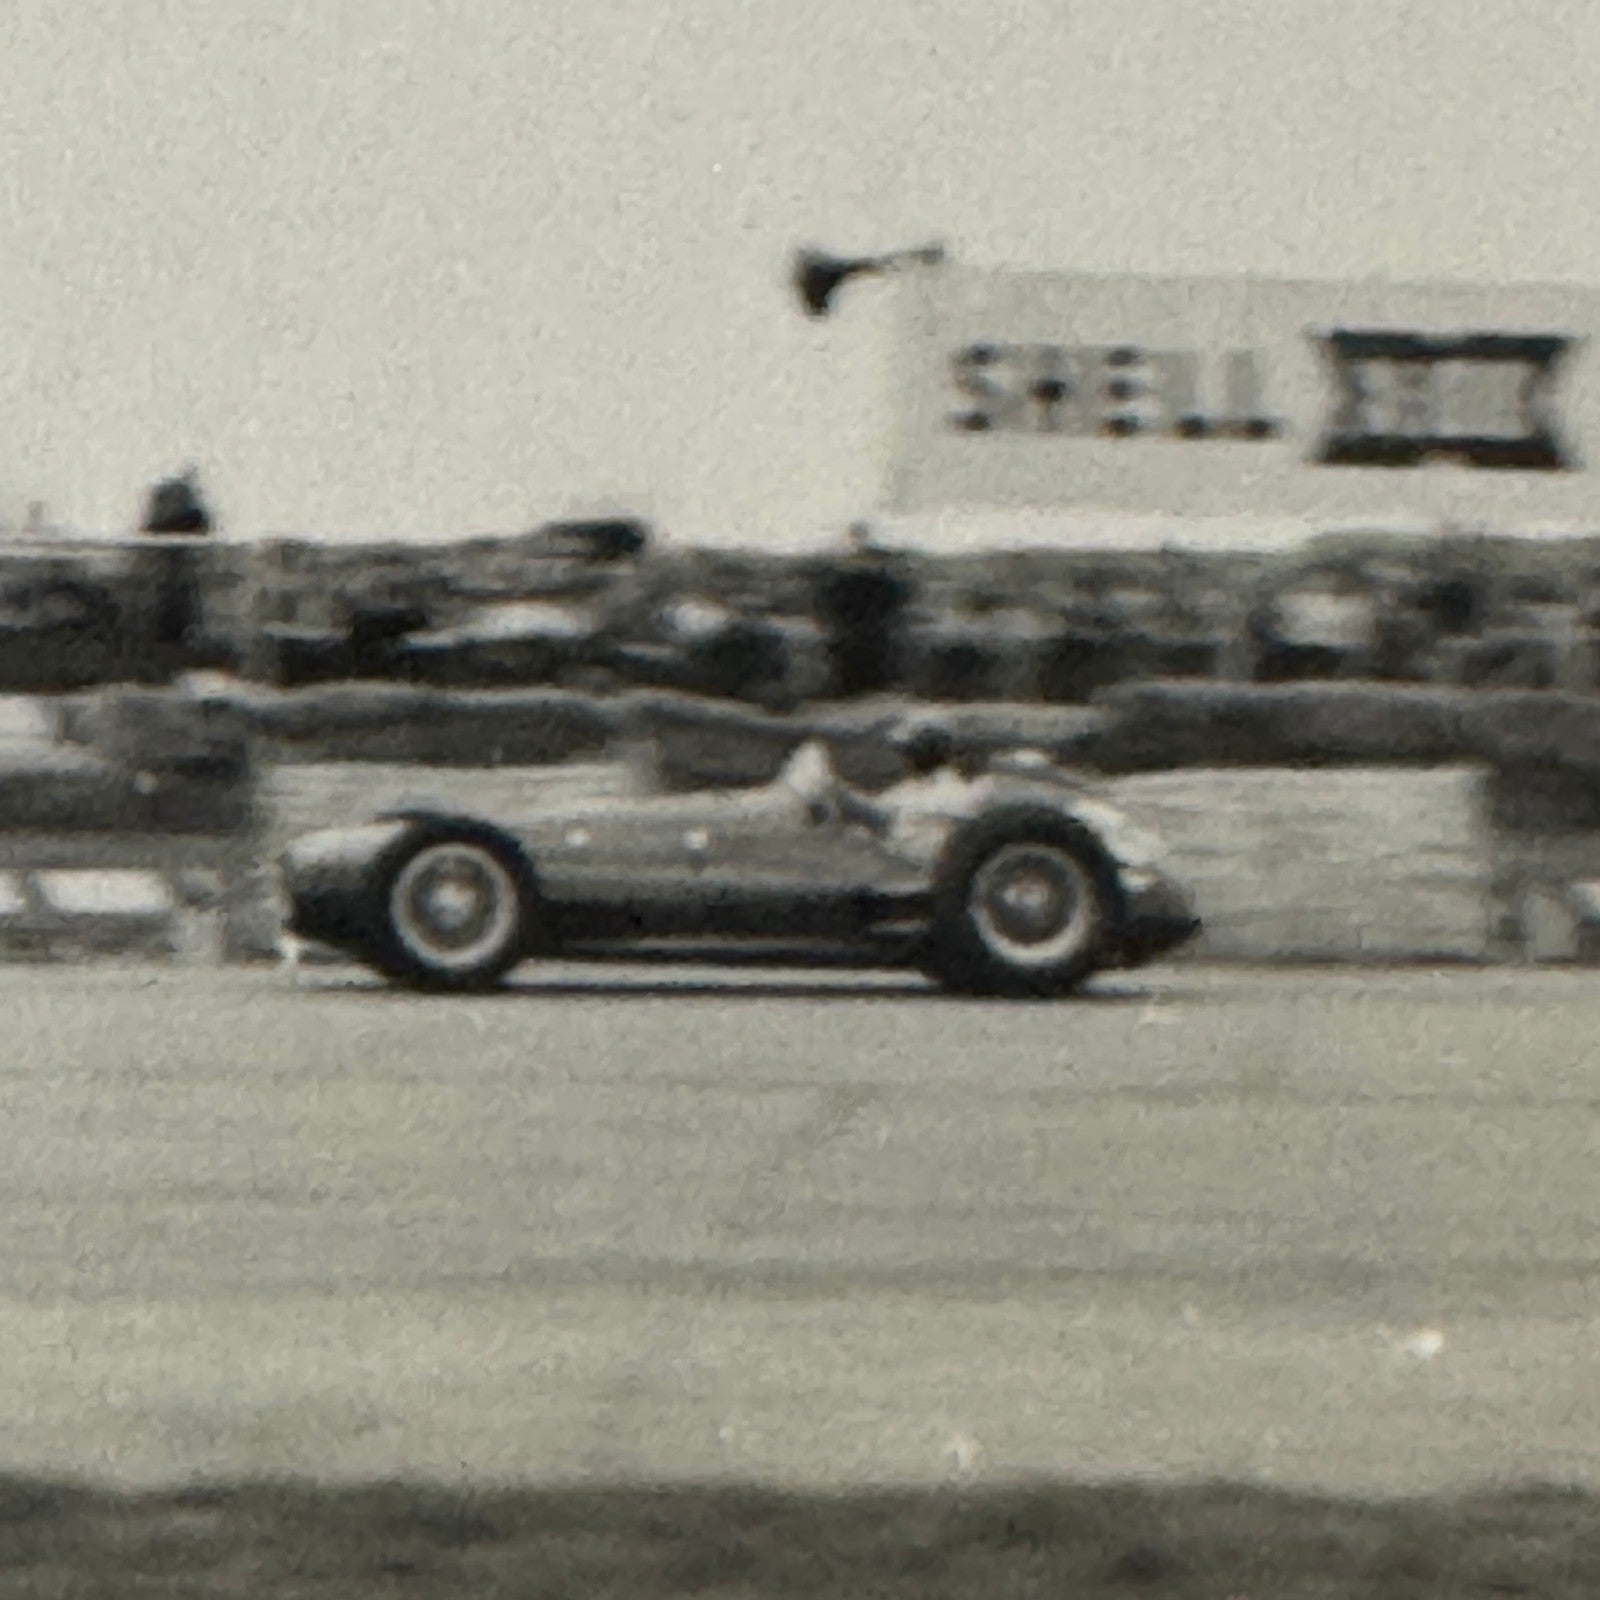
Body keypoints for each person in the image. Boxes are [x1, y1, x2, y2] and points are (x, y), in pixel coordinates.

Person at [782, 717, 986, 865]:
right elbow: (878, 807)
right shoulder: (911, 787)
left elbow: (887, 816)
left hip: (926, 868)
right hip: (899, 860)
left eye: (908, 752)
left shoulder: (952, 788)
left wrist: (839, 795)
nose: (904, 759)